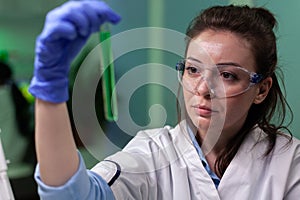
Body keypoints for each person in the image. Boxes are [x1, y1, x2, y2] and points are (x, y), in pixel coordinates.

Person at [29, 1, 300, 199]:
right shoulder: (153, 152)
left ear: (261, 90)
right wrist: (49, 91)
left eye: (227, 75)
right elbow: (73, 196)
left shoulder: (289, 162)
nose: (204, 89)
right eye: (193, 70)